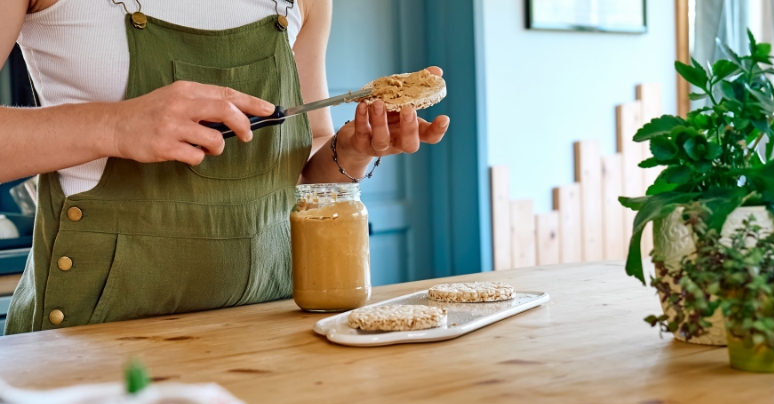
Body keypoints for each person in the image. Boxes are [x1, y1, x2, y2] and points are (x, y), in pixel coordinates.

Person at [1, 0, 450, 334]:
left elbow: (303, 166)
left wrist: (350, 152)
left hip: (271, 332)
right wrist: (115, 126)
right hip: (93, 343)